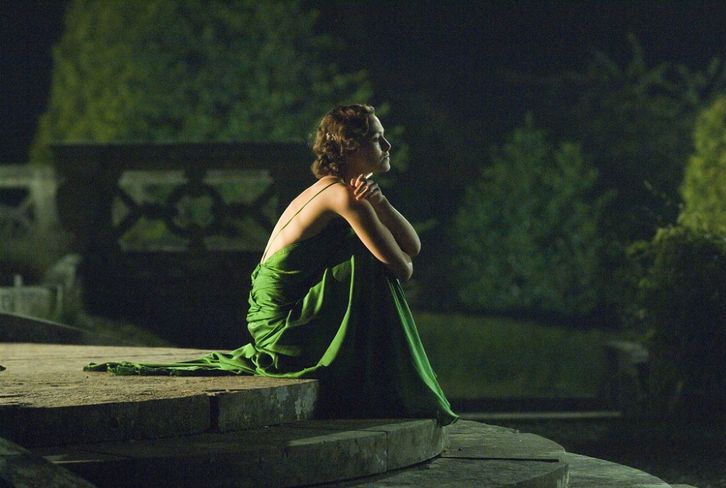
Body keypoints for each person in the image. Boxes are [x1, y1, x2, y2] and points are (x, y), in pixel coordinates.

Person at [85, 104, 458, 426]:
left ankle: (372, 373)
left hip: (279, 315)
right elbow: (403, 268)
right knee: (368, 262)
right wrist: (374, 215)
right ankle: (388, 381)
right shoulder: (343, 197)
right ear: (350, 147)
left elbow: (413, 247)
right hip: (284, 326)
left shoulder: (344, 190)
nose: (387, 146)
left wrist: (383, 205)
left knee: (367, 258)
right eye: (378, 138)